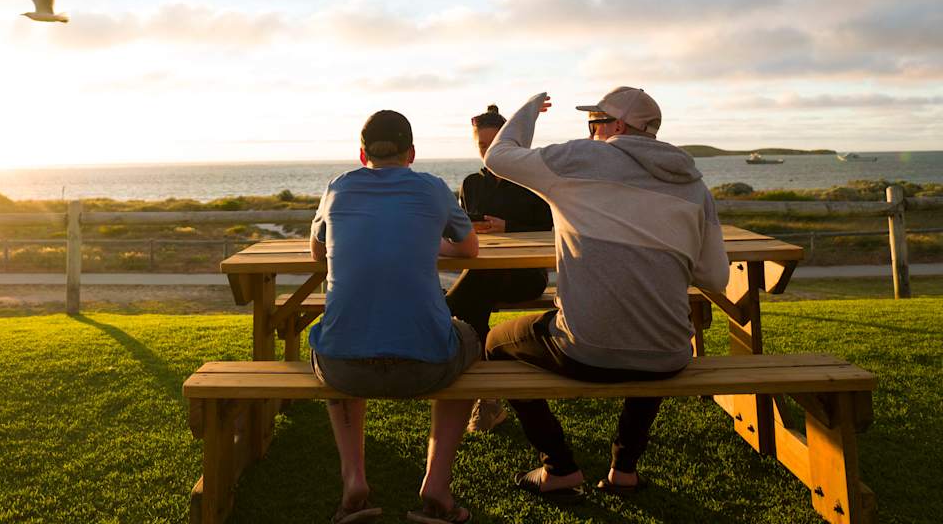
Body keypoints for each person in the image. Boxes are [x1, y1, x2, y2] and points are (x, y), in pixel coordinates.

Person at [481, 87, 730, 503]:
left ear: (617, 127)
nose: (591, 131)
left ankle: (558, 466)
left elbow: (498, 155)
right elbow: (716, 277)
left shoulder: (581, 159)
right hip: (670, 356)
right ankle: (624, 471)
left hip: (585, 351)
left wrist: (527, 111)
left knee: (495, 343)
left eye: (594, 122)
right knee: (653, 334)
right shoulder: (694, 185)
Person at [308, 109, 481, 524]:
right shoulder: (433, 189)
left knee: (332, 338)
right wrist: (430, 244)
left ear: (362, 155)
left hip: (344, 370)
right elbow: (470, 250)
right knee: (472, 339)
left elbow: (316, 254)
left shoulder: (338, 187)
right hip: (427, 367)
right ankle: (436, 488)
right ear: (412, 153)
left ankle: (354, 482)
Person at [446, 104, 552, 432]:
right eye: (481, 147)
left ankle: (478, 389)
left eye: (494, 146)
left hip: (526, 276)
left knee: (459, 305)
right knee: (473, 304)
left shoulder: (532, 182)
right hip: (482, 273)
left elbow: (553, 228)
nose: (487, 153)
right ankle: (488, 398)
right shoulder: (471, 184)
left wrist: (510, 227)